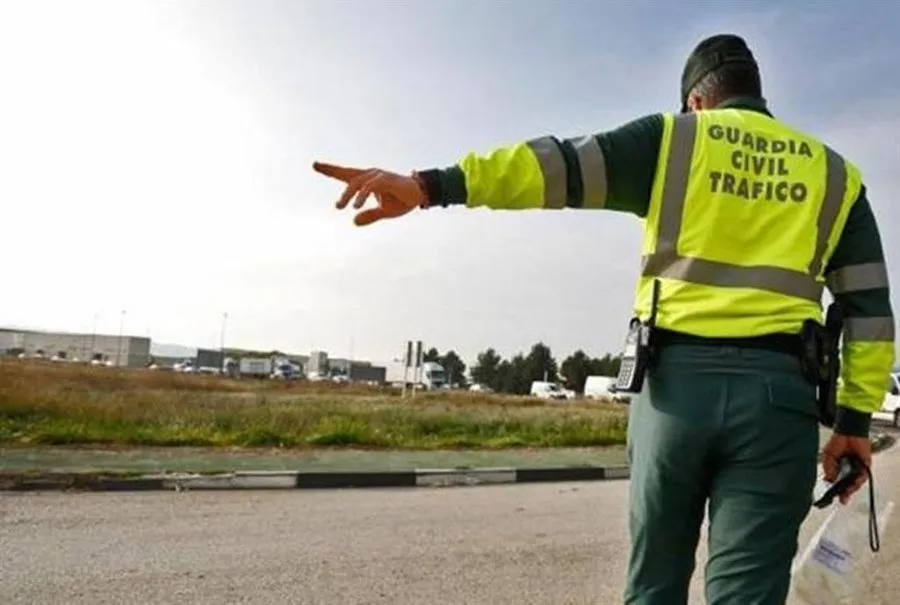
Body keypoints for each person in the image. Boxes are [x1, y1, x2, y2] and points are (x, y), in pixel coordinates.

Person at [313, 33, 896, 605]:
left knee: (653, 584)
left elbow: (552, 167)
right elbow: (870, 312)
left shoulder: (673, 141)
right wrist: (853, 421)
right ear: (757, 94)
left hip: (673, 394)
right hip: (779, 403)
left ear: (696, 101)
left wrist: (429, 186)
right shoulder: (836, 176)